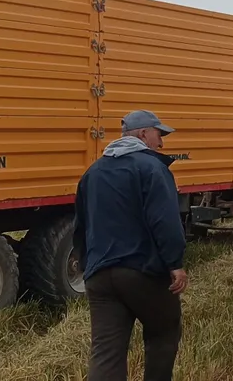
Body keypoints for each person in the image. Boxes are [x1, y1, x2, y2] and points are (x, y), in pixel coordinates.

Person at [73, 109, 188, 381]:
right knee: (163, 332)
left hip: (99, 276)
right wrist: (175, 264)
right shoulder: (152, 168)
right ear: (143, 133)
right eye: (159, 135)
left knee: (106, 350)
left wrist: (88, 264)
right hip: (141, 271)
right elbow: (165, 222)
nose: (161, 143)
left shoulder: (93, 172)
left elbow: (81, 225)